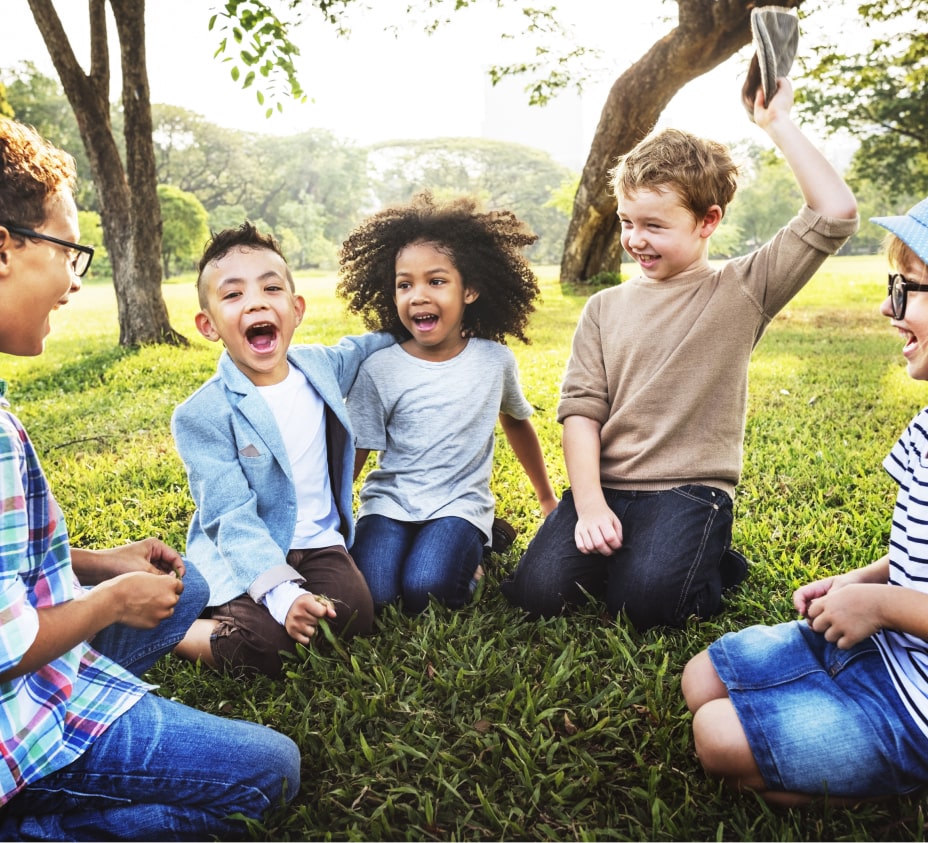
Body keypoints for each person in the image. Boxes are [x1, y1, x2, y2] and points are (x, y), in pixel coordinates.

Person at [0, 119, 300, 840]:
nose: (76, 280)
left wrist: (100, 564)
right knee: (269, 772)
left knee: (188, 587)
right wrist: (108, 602)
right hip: (17, 707)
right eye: (68, 251)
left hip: (32, 672)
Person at [500, 76, 859, 630]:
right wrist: (590, 504)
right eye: (626, 221)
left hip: (689, 492)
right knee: (538, 593)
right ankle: (643, 552)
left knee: (646, 606)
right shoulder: (603, 308)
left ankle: (712, 561)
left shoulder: (742, 289)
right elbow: (581, 413)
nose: (635, 239)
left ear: (708, 221)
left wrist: (776, 124)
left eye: (654, 225)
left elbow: (834, 214)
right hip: (609, 486)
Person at [681, 196, 928, 804]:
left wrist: (884, 605)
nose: (885, 307)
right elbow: (915, 554)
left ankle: (896, 776)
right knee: (699, 680)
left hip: (916, 710)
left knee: (717, 738)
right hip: (881, 644)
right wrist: (859, 581)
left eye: (906, 290)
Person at [172, 222, 394, 676]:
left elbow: (367, 346)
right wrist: (282, 594)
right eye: (232, 295)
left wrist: (420, 325)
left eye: (270, 288)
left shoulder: (320, 367)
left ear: (295, 310)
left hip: (317, 543)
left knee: (353, 616)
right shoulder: (202, 414)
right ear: (208, 325)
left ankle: (273, 608)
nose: (255, 301)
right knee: (267, 647)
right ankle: (180, 627)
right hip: (246, 549)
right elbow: (230, 515)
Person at [336, 192, 558, 613]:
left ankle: (474, 556)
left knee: (428, 590)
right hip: (389, 503)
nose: (418, 295)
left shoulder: (494, 361)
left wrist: (546, 499)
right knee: (377, 597)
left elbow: (516, 422)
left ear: (470, 289)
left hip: (459, 504)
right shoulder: (380, 368)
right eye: (405, 284)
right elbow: (358, 448)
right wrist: (329, 519)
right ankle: (470, 545)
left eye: (436, 281)